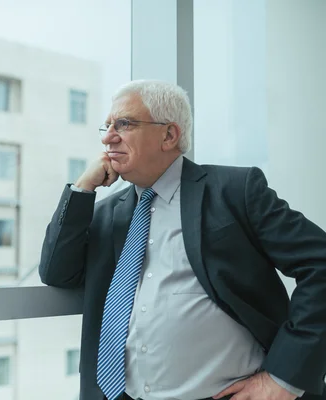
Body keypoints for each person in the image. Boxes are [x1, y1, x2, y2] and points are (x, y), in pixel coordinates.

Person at [38, 80, 326, 400]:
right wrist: (82, 188)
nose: (108, 137)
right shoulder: (106, 213)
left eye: (124, 123)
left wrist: (284, 377)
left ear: (169, 135)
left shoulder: (235, 190)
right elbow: (56, 273)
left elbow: (320, 264)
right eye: (106, 126)